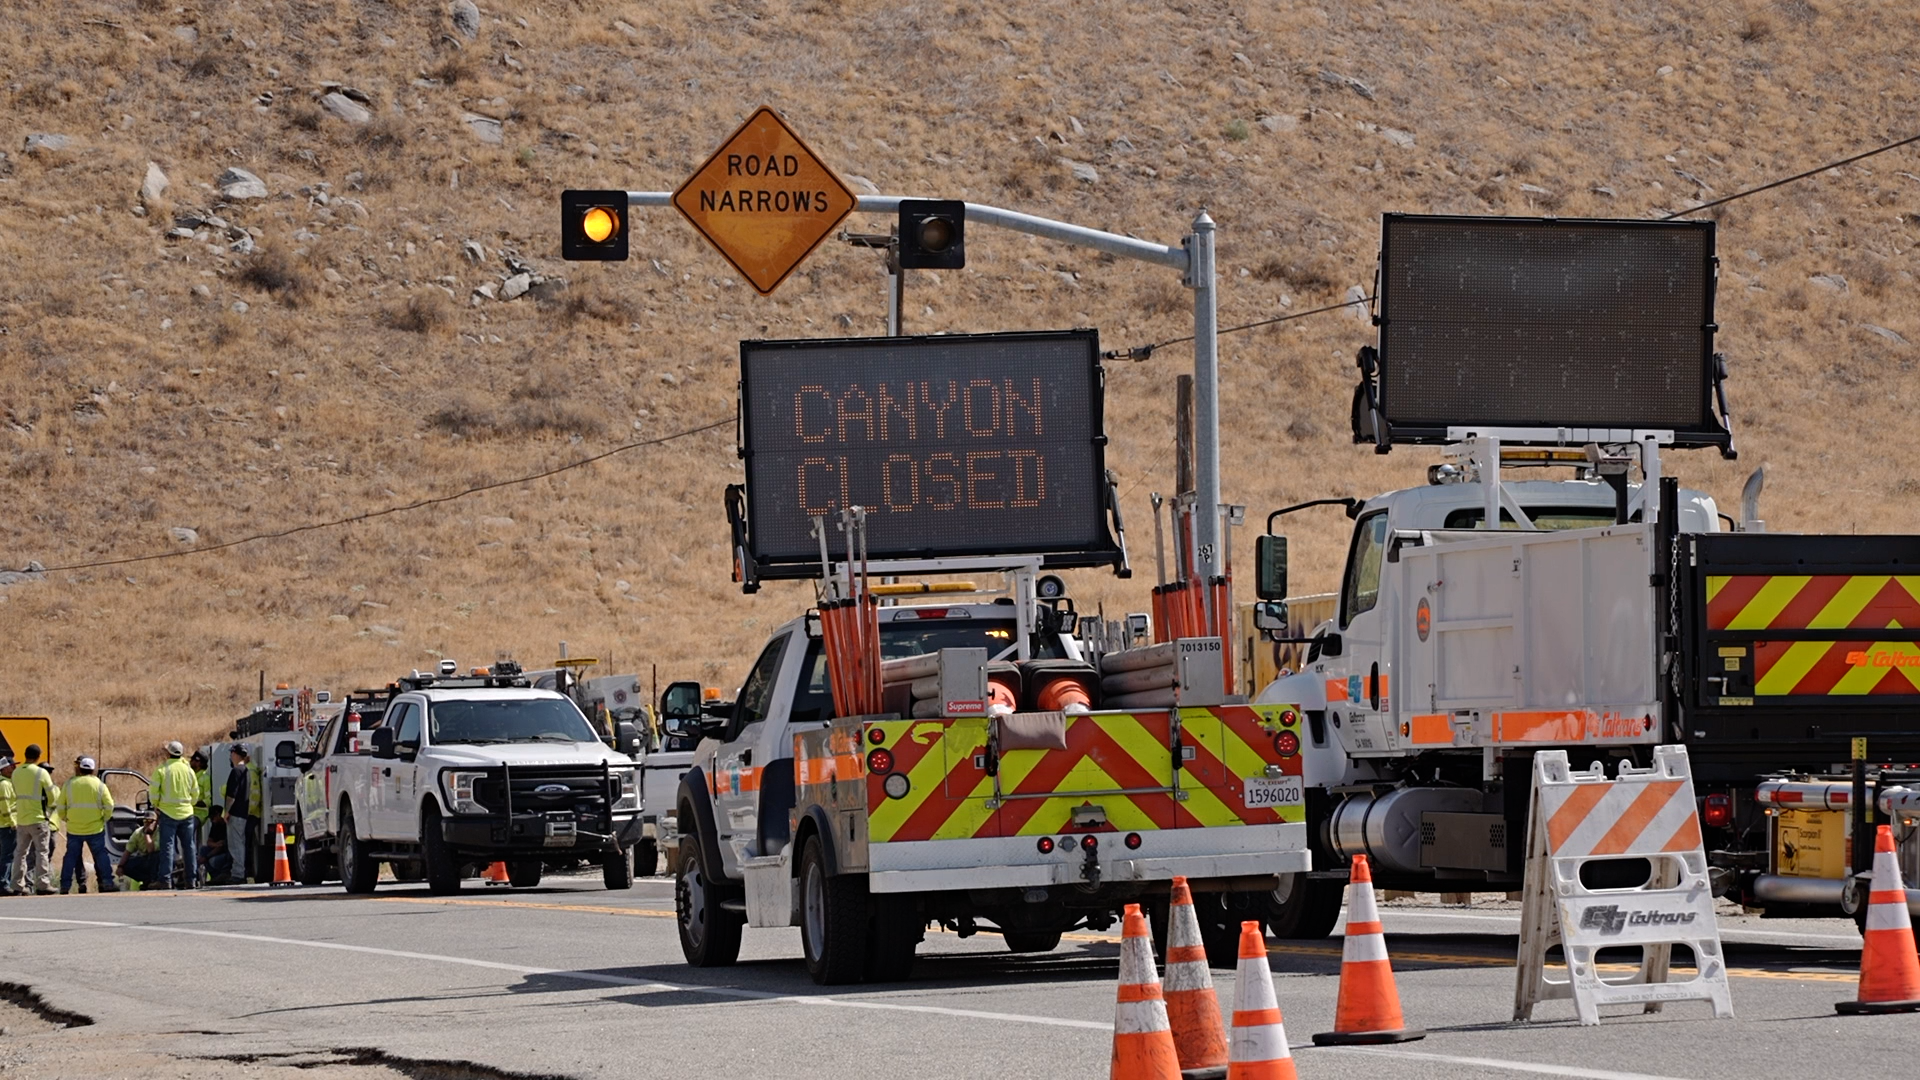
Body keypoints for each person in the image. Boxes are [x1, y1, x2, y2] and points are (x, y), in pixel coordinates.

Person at [60, 756, 117, 894]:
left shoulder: (69, 784)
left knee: (70, 857)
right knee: (101, 855)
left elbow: (61, 806)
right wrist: (104, 818)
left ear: (79, 768)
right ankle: (107, 882)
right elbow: (109, 805)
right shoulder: (99, 785)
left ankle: (65, 886)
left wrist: (66, 818)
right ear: (93, 770)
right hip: (95, 828)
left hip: (74, 828)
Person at [8, 745, 57, 896]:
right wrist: (48, 809)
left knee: (20, 853)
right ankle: (42, 884)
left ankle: (17, 885)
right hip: (38, 818)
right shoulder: (41, 772)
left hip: (22, 819)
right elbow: (52, 797)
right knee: (42, 852)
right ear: (37, 757)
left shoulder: (16, 773)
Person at [152, 741, 198, 889]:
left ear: (168, 753)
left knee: (167, 847)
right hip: (187, 813)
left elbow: (153, 793)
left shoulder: (161, 770)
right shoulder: (188, 770)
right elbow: (195, 793)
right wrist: (190, 804)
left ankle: (165, 880)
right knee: (189, 847)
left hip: (168, 813)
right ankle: (191, 880)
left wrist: (157, 805)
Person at [224, 745, 255, 883]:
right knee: (240, 843)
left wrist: (227, 811)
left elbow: (232, 795)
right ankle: (239, 872)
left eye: (232, 753)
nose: (231, 756)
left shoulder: (236, 771)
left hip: (236, 813)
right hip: (244, 812)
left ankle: (238, 874)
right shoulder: (247, 771)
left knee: (235, 844)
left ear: (236, 754)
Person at [117, 812, 160, 890]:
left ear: (156, 822)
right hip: (144, 859)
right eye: (145, 821)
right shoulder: (138, 833)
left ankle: (154, 880)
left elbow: (151, 850)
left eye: (150, 821)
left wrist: (147, 834)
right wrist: (120, 866)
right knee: (127, 865)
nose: (147, 823)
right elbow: (128, 851)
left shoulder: (159, 832)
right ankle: (146, 880)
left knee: (154, 856)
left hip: (157, 860)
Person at [201, 806, 234, 885]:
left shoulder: (227, 825)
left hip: (225, 853)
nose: (212, 820)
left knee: (213, 861)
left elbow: (222, 846)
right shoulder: (215, 825)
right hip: (216, 849)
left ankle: (223, 874)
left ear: (219, 814)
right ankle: (214, 877)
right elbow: (209, 842)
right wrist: (216, 844)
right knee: (203, 849)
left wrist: (206, 857)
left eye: (213, 818)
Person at [0, 758, 17, 897]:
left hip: (4, 824)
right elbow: (5, 805)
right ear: (4, 768)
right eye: (11, 766)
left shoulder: (6, 782)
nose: (13, 769)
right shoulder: (4, 784)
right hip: (6, 825)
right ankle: (4, 883)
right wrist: (11, 821)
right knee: (7, 856)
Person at [190, 750, 211, 839]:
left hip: (200, 814)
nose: (190, 761)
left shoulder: (205, 779)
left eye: (192, 759)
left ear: (199, 763)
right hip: (189, 812)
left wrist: (192, 802)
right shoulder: (190, 776)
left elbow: (208, 801)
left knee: (189, 829)